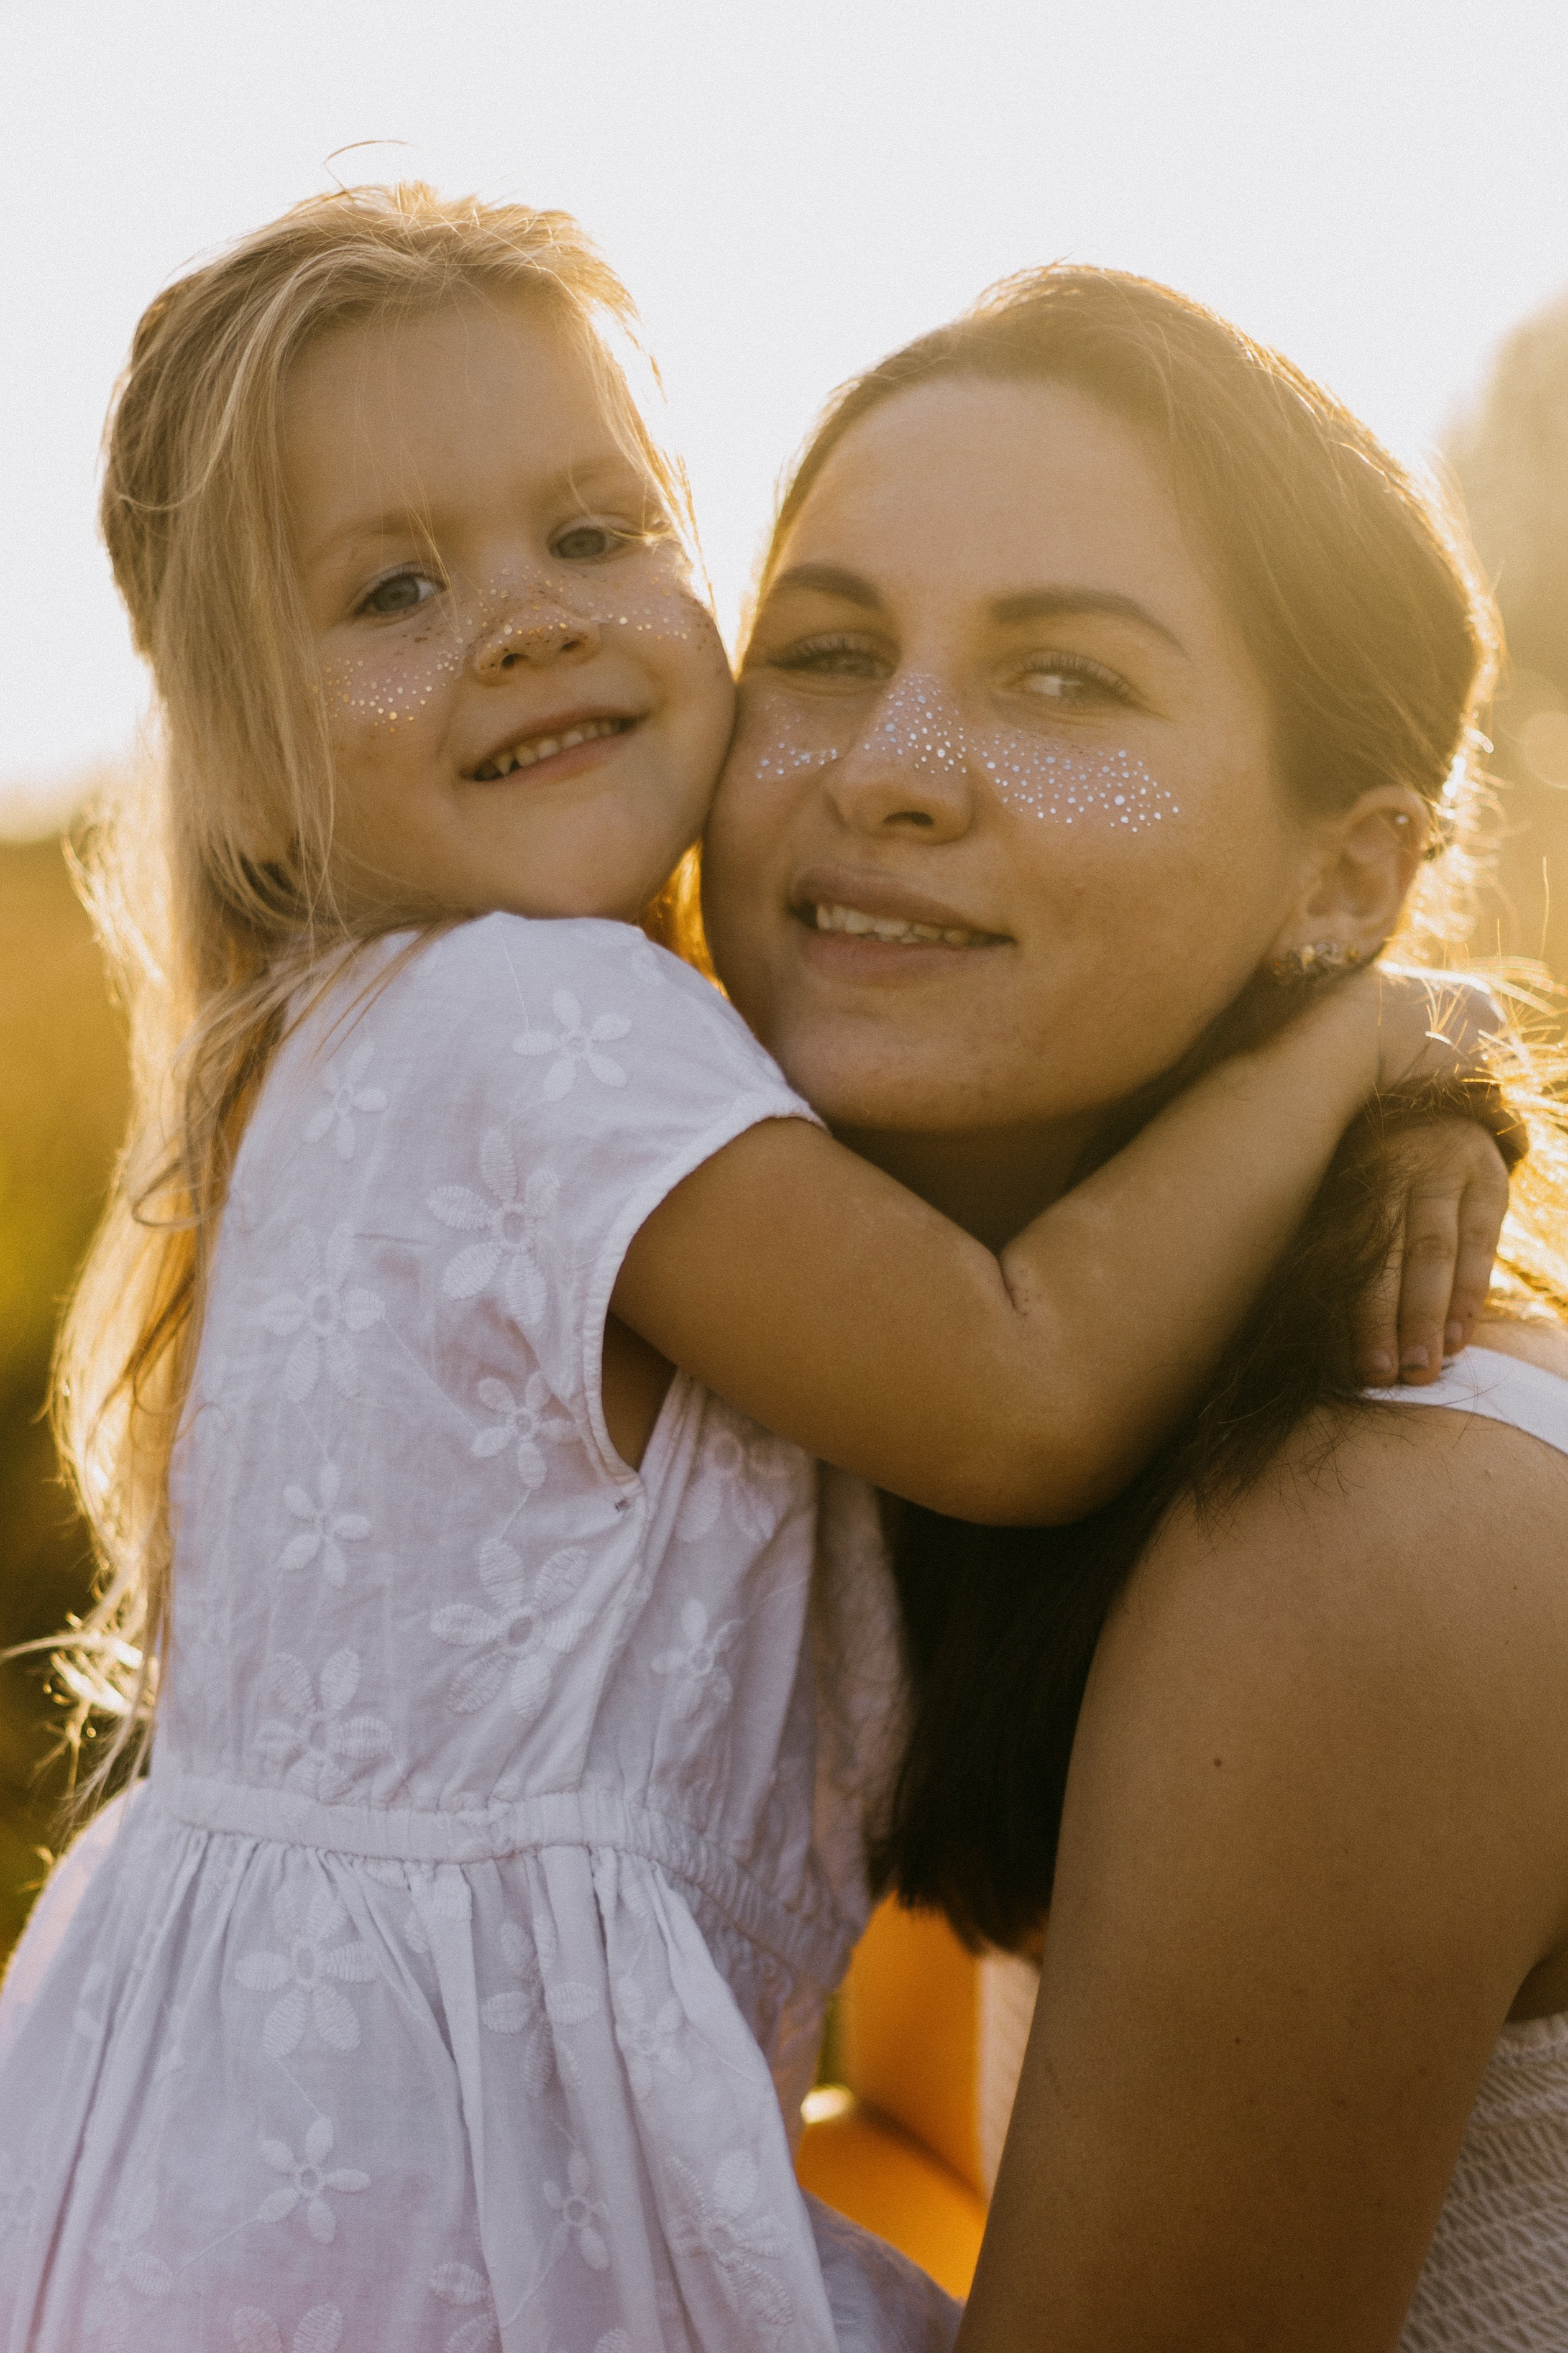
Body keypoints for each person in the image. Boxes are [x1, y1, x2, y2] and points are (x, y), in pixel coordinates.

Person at [0, 193, 1497, 2352]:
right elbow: (1021, 1383)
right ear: (244, 755)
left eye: (597, 536)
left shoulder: (419, 1048)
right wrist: (1375, 1034)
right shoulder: (546, 1034)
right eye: (397, 590)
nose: (523, 625)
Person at [700, 263, 1568, 2351]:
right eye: (821, 651)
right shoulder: (938, 1391)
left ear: (1349, 881)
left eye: (1065, 682)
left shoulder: (1376, 1505)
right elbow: (920, 2142)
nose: (887, 768)